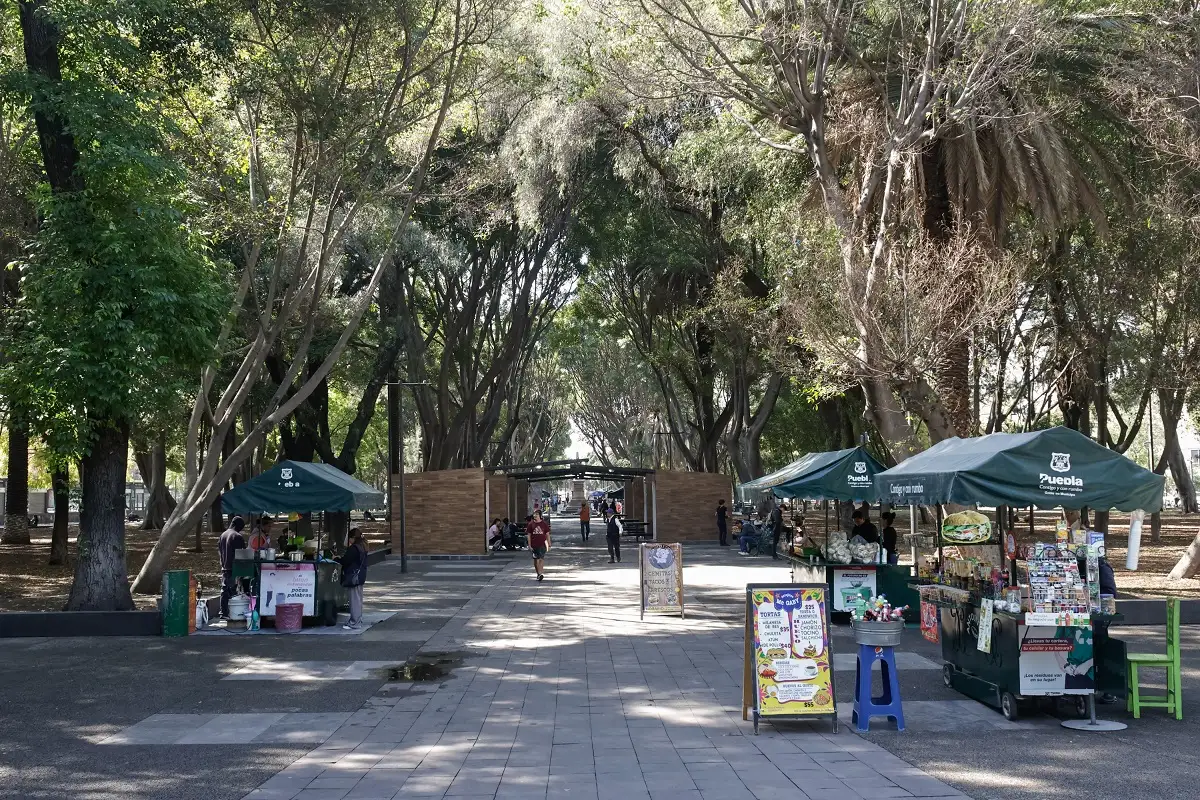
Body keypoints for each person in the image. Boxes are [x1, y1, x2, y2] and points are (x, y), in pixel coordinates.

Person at [218, 516, 247, 619]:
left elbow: (220, 551)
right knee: (234, 591)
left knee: (224, 589)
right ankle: (232, 613)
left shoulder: (223, 535)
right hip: (234, 567)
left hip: (225, 566)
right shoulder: (237, 536)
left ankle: (223, 612)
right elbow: (242, 554)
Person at [340, 527, 369, 629]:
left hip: (354, 576)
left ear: (353, 538)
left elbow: (345, 561)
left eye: (349, 538)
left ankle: (354, 622)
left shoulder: (354, 548)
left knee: (354, 600)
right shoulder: (363, 546)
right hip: (360, 575)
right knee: (358, 599)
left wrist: (337, 559)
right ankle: (357, 620)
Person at [528, 510, 551, 581]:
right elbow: (529, 535)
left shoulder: (544, 524)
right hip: (534, 544)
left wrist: (549, 543)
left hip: (543, 544)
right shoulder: (531, 524)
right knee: (536, 560)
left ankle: (540, 573)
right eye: (534, 514)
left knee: (541, 558)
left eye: (537, 514)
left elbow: (547, 534)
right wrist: (529, 545)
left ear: (540, 516)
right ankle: (538, 573)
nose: (535, 515)